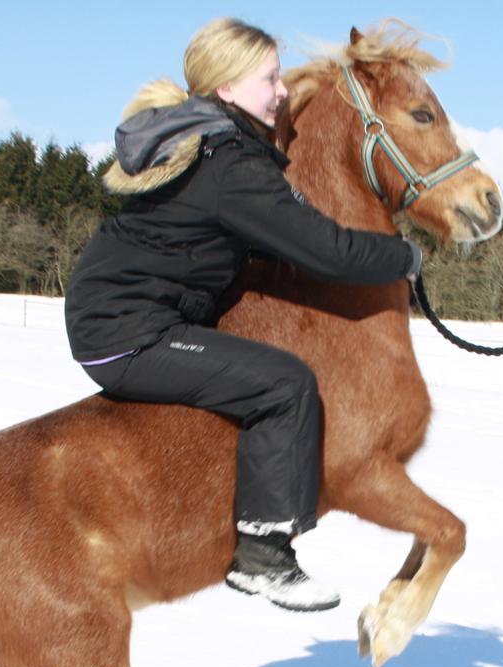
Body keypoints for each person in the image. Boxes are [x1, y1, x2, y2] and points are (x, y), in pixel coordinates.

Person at [65, 17, 420, 612]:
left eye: (280, 77)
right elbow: (325, 250)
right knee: (284, 384)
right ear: (227, 88)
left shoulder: (216, 148)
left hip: (127, 317)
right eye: (270, 78)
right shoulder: (229, 163)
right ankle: (263, 556)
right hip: (127, 334)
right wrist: (400, 256)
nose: (280, 91)